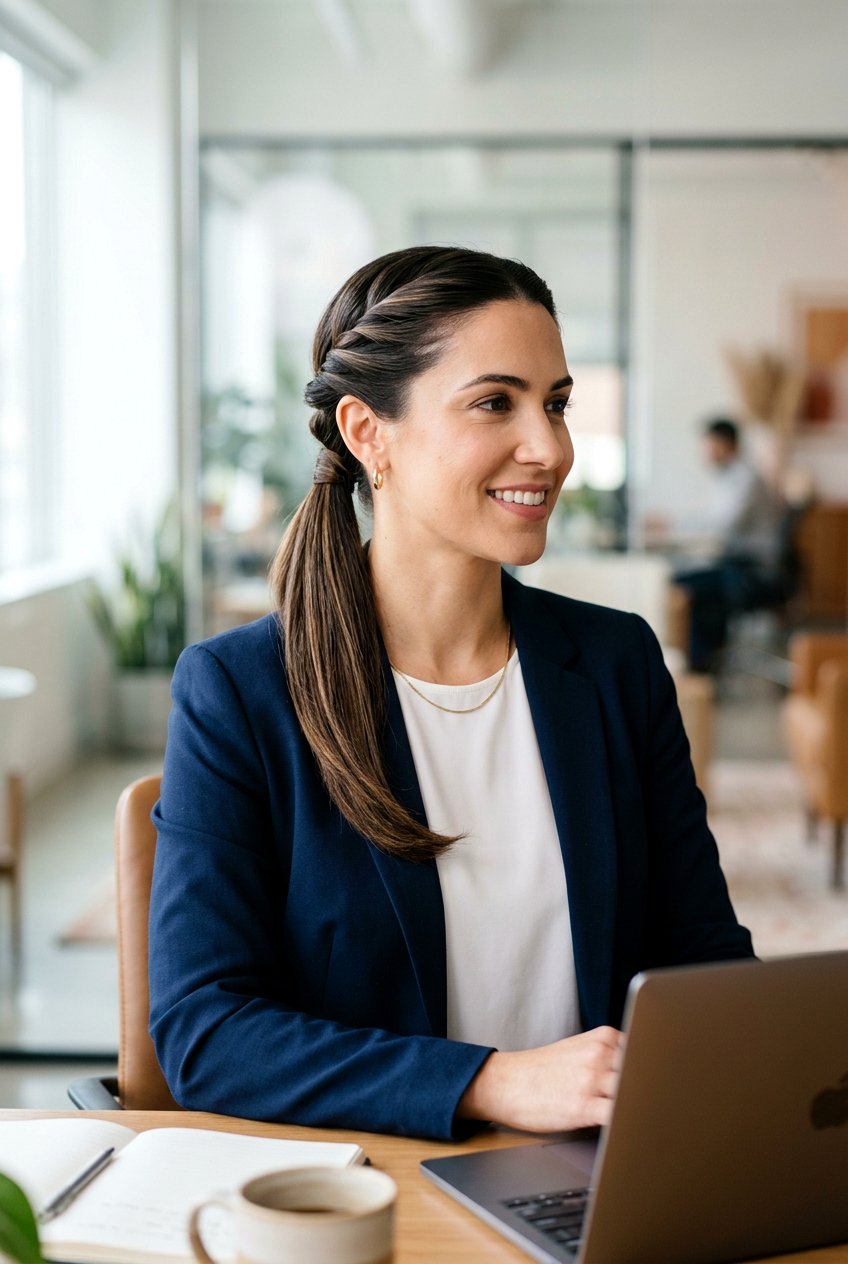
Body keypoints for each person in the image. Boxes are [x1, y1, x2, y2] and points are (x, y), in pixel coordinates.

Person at [148, 246, 753, 1143]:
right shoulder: (240, 691)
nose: (550, 449)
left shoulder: (616, 663)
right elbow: (207, 1033)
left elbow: (704, 960)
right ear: (368, 433)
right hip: (379, 1183)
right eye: (495, 403)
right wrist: (489, 1083)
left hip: (600, 1176)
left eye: (556, 404)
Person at [673, 417, 785, 673]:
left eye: (709, 445)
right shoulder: (727, 479)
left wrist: (676, 528)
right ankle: (708, 657)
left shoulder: (746, 480)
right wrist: (676, 525)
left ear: (726, 444)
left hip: (752, 570)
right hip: (737, 563)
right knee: (690, 577)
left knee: (684, 584)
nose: (705, 452)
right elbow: (710, 519)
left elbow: (723, 524)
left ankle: (700, 665)